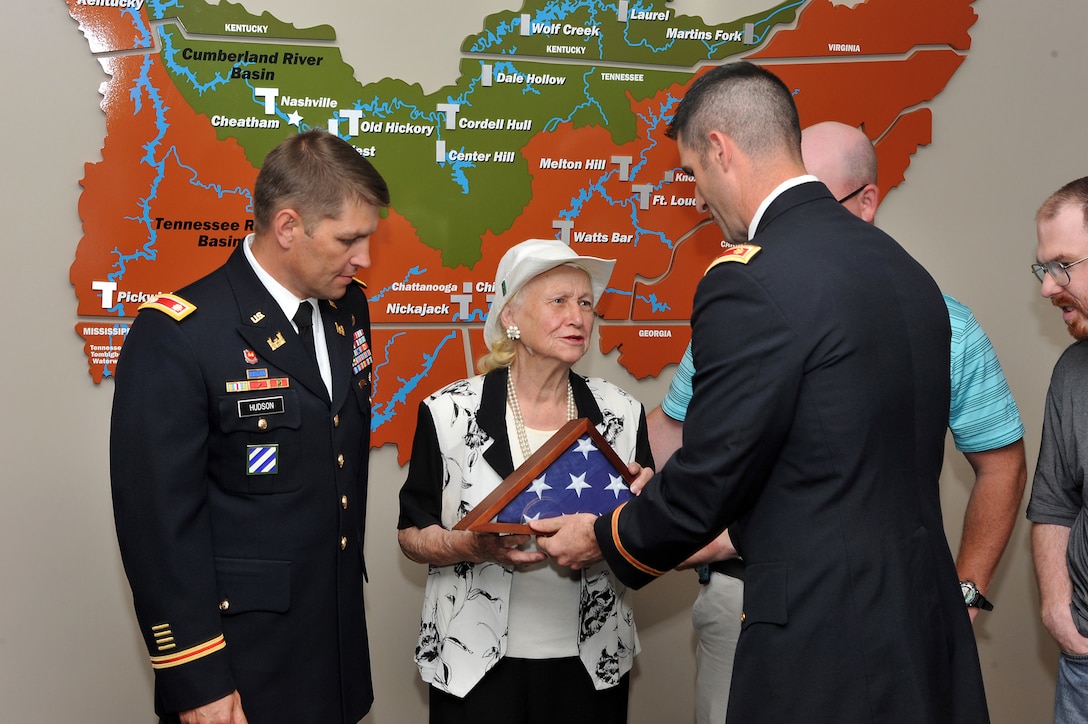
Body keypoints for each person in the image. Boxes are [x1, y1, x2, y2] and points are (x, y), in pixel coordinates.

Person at [533, 61, 989, 722]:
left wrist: (607, 536)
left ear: (720, 148)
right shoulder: (904, 271)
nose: (695, 198)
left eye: (691, 173)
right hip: (922, 630)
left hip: (822, 644)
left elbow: (710, 478)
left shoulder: (750, 278)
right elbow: (825, 467)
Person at [646, 119, 1027, 723]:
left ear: (865, 200)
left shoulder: (938, 316)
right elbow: (677, 434)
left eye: (817, 196)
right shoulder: (748, 298)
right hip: (740, 596)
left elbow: (1000, 461)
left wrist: (967, 588)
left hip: (887, 606)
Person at [110, 129, 389, 724]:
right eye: (349, 240)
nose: (363, 258)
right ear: (288, 228)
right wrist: (195, 679)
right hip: (239, 671)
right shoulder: (181, 335)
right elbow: (158, 529)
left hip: (333, 652)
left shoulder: (349, 310)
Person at [397, 238, 654, 724]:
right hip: (473, 666)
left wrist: (642, 513)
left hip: (591, 668)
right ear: (510, 317)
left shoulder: (622, 413)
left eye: (585, 303)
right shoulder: (447, 413)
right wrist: (471, 546)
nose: (578, 317)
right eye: (558, 301)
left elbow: (645, 535)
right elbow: (411, 534)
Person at [1027, 176, 1088, 722]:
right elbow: (1055, 500)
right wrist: (1055, 607)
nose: (1048, 287)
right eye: (1043, 268)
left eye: (1063, 265)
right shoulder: (1072, 372)